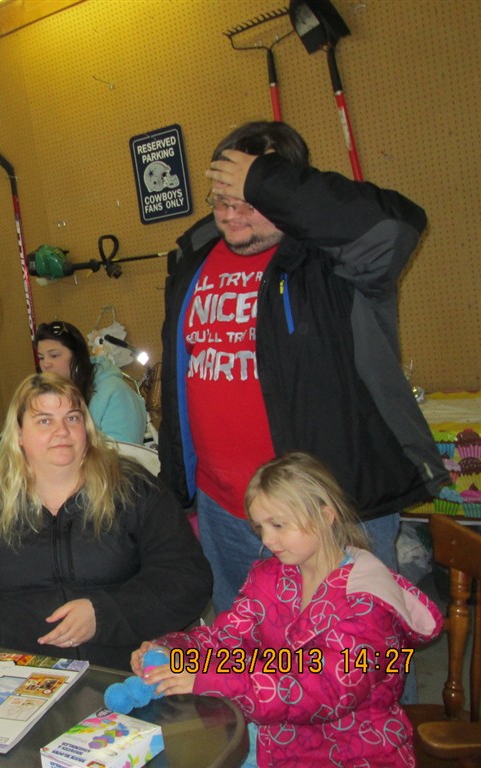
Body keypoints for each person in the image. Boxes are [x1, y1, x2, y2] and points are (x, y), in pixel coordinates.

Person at [157, 120, 448, 615]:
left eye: (250, 198)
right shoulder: (193, 256)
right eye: (222, 199)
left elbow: (396, 226)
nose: (231, 214)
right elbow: (181, 385)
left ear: (286, 190)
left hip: (327, 512)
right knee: (243, 642)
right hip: (224, 508)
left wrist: (266, 180)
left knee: (350, 651)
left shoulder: (336, 259)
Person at [134, 452, 442, 767]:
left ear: (325, 516)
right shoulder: (271, 575)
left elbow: (323, 691)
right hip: (272, 737)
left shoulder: (366, 603)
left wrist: (209, 680)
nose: (268, 540)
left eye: (278, 525)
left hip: (351, 750)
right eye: (260, 527)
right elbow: (228, 637)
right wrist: (174, 650)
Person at [0, 373, 211, 670]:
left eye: (72, 418)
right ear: (19, 434)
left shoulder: (133, 490)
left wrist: (104, 613)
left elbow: (187, 580)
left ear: (86, 428)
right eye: (44, 421)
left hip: (119, 671)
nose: (62, 431)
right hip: (17, 671)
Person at [35, 320, 148, 445]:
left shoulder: (116, 392)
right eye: (41, 357)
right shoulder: (53, 396)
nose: (45, 364)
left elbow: (123, 453)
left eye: (54, 355)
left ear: (76, 357)